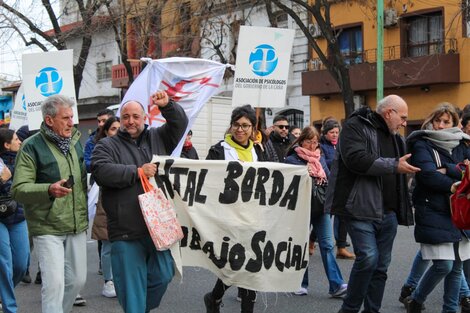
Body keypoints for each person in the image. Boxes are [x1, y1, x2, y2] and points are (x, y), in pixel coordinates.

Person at [91, 90, 187, 313]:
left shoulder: (159, 137)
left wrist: (168, 106)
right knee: (132, 295)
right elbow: (101, 170)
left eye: (135, 116)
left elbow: (180, 124)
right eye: (125, 117)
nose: (130, 121)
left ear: (145, 117)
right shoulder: (107, 145)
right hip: (126, 232)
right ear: (120, 120)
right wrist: (137, 172)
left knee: (164, 275)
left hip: (157, 230)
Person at [325, 94, 420, 313]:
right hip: (359, 209)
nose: (405, 123)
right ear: (389, 113)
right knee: (368, 258)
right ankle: (349, 309)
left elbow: (403, 166)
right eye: (403, 117)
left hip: (388, 214)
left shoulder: (396, 137)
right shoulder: (355, 126)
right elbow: (355, 159)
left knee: (381, 268)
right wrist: (393, 165)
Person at [11, 94, 88, 313]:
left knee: (77, 280)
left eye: (71, 117)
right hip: (47, 226)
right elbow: (18, 189)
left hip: (76, 224)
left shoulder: (75, 142)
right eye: (65, 118)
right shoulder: (31, 146)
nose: (70, 122)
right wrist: (48, 189)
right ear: (49, 120)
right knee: (54, 285)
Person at [404, 103, 470, 313]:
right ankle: (416, 299)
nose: (441, 126)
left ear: (454, 123)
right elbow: (427, 175)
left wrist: (447, 169)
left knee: (457, 267)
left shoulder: (462, 143)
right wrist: (453, 184)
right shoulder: (422, 143)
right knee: (444, 265)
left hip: (460, 210)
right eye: (437, 121)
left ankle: (449, 309)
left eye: (446, 121)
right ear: (431, 121)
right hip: (432, 209)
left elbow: (465, 171)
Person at [203, 105, 263, 313]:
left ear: (253, 129)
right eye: (236, 125)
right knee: (234, 264)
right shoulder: (218, 151)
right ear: (231, 126)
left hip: (252, 217)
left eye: (245, 125)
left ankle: (217, 299)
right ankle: (214, 297)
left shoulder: (260, 151)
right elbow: (207, 181)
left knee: (251, 266)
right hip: (227, 218)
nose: (240, 129)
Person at [285, 126, 347, 298]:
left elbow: (328, 179)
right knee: (301, 246)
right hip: (301, 209)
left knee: (327, 245)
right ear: (301, 141)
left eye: (315, 142)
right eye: (308, 142)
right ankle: (299, 283)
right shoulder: (292, 160)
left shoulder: (320, 159)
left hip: (321, 208)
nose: (312, 146)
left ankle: (336, 285)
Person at [0, 129, 29, 313]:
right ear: (6, 144)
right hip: (0, 217)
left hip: (18, 216)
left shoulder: (24, 159)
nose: (20, 142)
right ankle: (10, 308)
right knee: (4, 263)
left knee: (21, 264)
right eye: (16, 139)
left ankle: (3, 292)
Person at [91, 116, 120, 299]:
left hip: (130, 199)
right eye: (113, 129)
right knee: (108, 242)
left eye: (120, 128)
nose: (117, 132)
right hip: (107, 199)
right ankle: (109, 280)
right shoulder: (101, 148)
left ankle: (122, 278)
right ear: (106, 132)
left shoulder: (133, 146)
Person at [319, 118, 355, 260]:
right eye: (331, 132)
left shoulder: (341, 144)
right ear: (325, 133)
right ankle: (311, 240)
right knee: (325, 215)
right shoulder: (321, 146)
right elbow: (324, 164)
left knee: (343, 216)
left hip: (341, 185)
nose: (334, 135)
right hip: (327, 185)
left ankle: (341, 247)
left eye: (336, 132)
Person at [84, 108, 115, 173]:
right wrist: (102, 166)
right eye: (99, 121)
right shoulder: (91, 141)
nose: (100, 124)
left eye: (104, 121)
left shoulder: (120, 138)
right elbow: (86, 164)